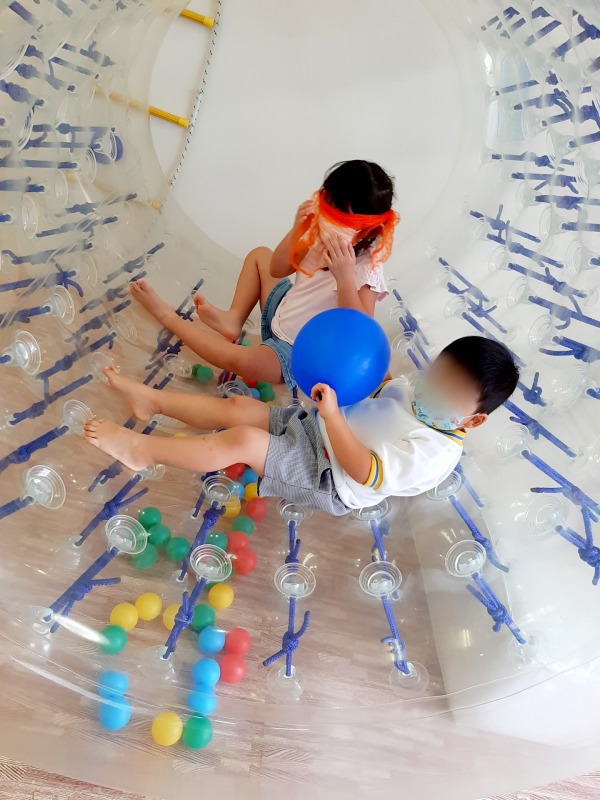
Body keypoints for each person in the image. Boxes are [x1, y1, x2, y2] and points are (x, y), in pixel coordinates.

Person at [84, 336, 519, 516]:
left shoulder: (435, 453)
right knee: (239, 407)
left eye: (450, 391)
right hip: (315, 429)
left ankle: (143, 451)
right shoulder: (414, 392)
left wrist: (333, 417)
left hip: (329, 476)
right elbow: (379, 390)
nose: (433, 388)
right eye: (438, 374)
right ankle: (151, 401)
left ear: (474, 419)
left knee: (243, 440)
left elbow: (365, 470)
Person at [130, 160, 399, 388]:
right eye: (328, 207)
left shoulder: (367, 268)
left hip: (295, 352)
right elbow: (277, 269)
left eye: (340, 217)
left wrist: (344, 278)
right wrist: (297, 229)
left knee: (237, 359)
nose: (329, 220)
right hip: (280, 313)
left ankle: (167, 316)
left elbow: (361, 332)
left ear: (367, 230)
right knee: (260, 255)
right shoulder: (320, 237)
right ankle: (234, 319)